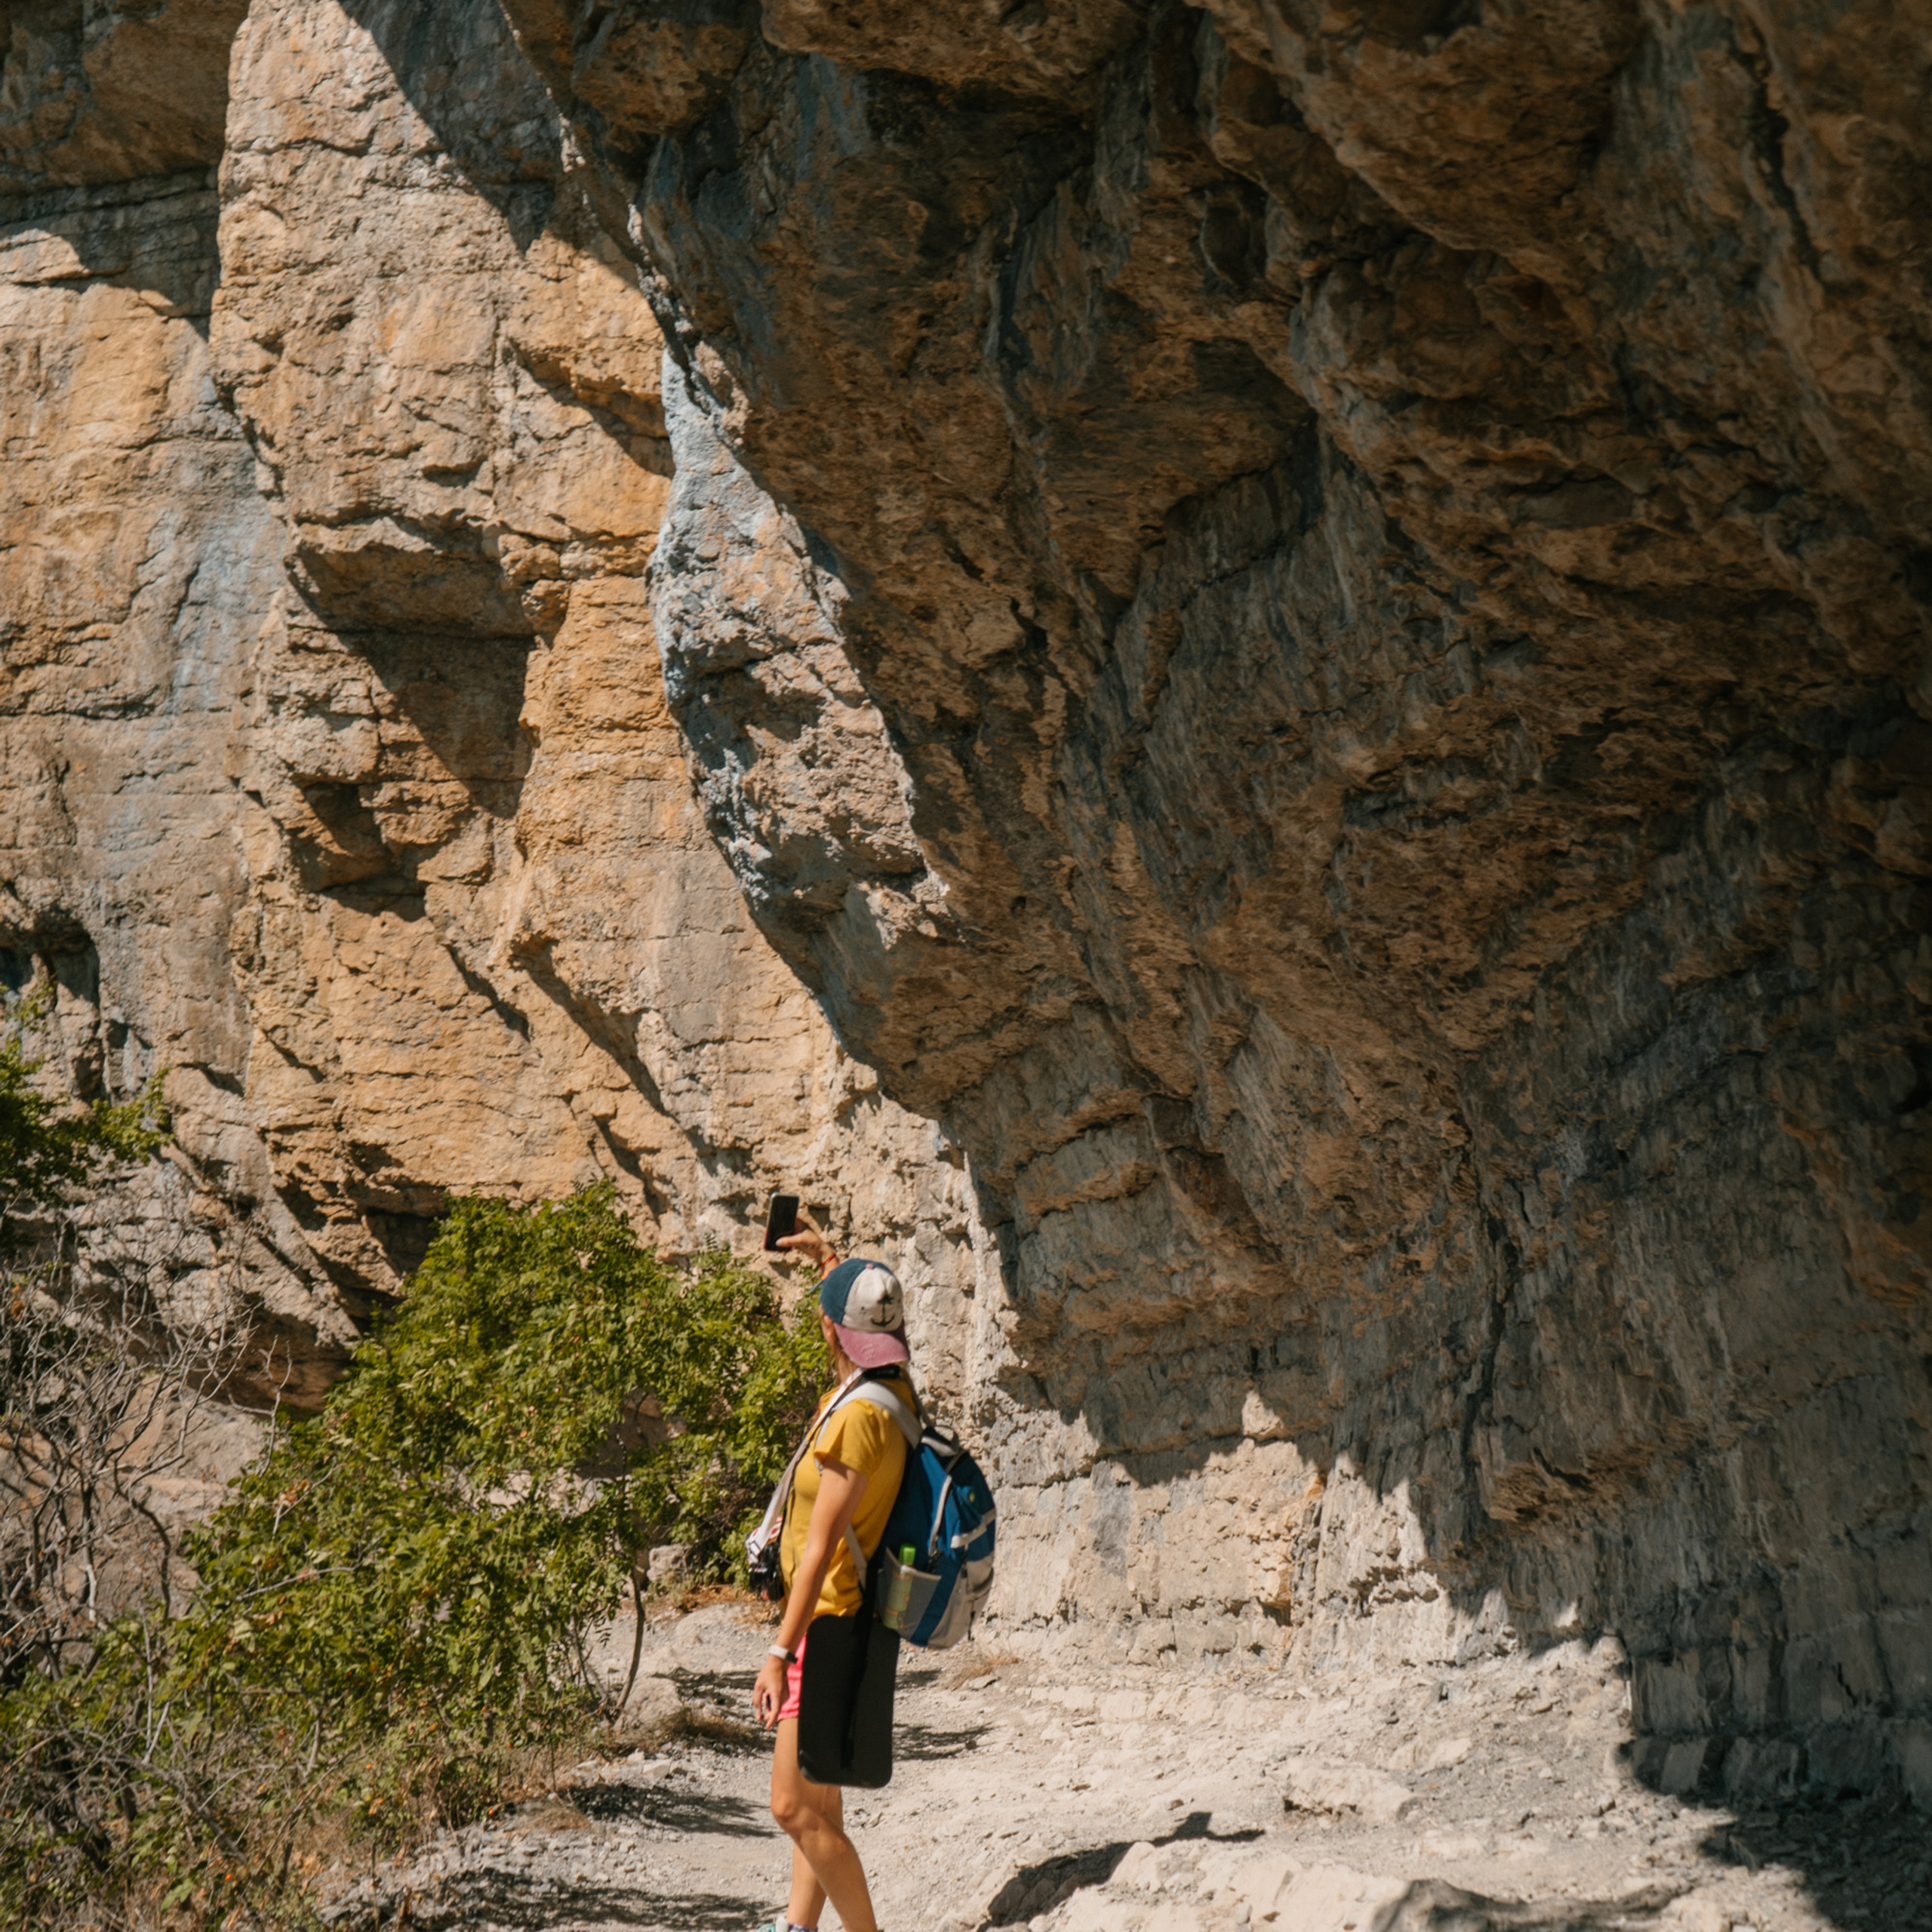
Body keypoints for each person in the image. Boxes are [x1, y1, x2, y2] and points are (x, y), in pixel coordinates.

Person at [752, 1214, 916, 1932]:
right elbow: (855, 1322)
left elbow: (817, 1551)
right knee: (819, 1796)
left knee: (791, 1807)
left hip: (824, 1623)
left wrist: (777, 1652)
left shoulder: (853, 1422)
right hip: (849, 1616)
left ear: (830, 1332)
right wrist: (829, 1261)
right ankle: (798, 1927)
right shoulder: (892, 1387)